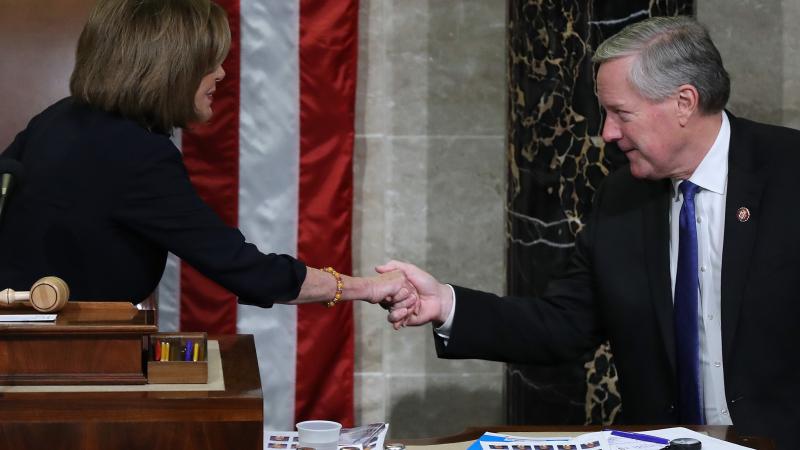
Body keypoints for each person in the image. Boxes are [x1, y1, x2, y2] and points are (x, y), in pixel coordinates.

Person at [379, 16, 798, 449]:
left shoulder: (790, 173)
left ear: (684, 102)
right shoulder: (622, 197)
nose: (607, 133)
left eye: (621, 113)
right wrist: (445, 304)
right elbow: (563, 324)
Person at [0, 0, 419, 310]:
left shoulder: (58, 118)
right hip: (62, 365)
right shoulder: (136, 154)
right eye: (209, 61)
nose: (221, 73)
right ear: (170, 68)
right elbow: (243, 268)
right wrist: (365, 287)